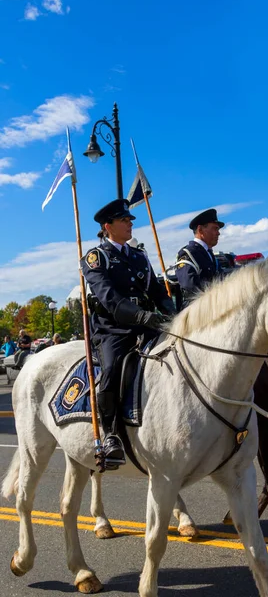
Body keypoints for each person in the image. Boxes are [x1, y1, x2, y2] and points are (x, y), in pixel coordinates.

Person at [81, 198, 175, 468]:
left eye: (130, 220)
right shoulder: (96, 258)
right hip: (113, 329)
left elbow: (157, 291)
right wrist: (143, 316)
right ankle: (111, 435)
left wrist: (172, 313)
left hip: (146, 325)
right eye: (124, 220)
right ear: (108, 226)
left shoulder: (139, 255)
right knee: (111, 368)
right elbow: (109, 299)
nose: (130, 223)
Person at [175, 208, 225, 309]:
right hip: (197, 312)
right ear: (200, 230)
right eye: (215, 228)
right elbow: (189, 287)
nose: (218, 233)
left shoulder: (210, 255)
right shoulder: (188, 253)